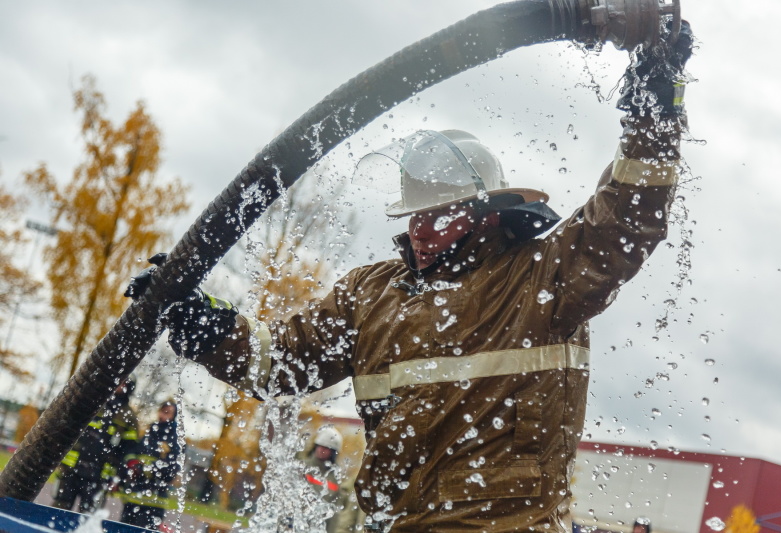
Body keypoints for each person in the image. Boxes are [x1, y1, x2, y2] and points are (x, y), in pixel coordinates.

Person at [127, 21, 693, 532]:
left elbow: (628, 217)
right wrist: (204, 323)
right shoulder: (369, 294)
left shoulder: (544, 279)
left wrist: (656, 108)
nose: (421, 230)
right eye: (414, 216)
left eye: (438, 215)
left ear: (484, 214)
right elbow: (281, 363)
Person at [52, 378, 139, 514]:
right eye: (119, 381)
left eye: (124, 383)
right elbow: (70, 428)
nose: (119, 386)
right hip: (71, 468)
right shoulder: (93, 402)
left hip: (99, 476)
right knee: (57, 510)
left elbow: (128, 451)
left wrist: (118, 478)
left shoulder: (129, 417)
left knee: (89, 518)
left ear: (130, 388)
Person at [117, 400, 182, 530]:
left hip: (153, 504)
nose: (163, 415)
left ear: (173, 417)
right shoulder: (149, 434)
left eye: (168, 413)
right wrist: (131, 465)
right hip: (132, 499)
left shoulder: (175, 440)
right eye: (162, 411)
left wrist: (146, 469)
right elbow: (133, 453)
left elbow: (171, 470)